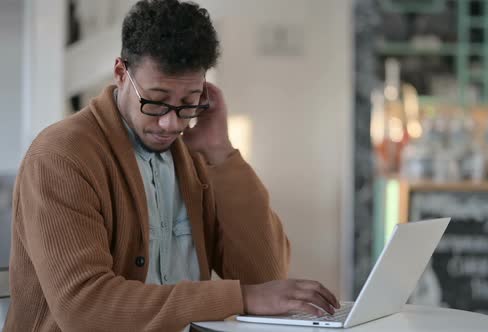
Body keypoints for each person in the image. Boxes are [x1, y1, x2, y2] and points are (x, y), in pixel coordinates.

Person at [4, 1, 339, 331]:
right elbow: (86, 309)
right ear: (121, 73)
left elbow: (265, 276)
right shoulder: (62, 156)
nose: (170, 124)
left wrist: (221, 154)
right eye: (156, 101)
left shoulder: (196, 155)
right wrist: (239, 299)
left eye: (188, 102)